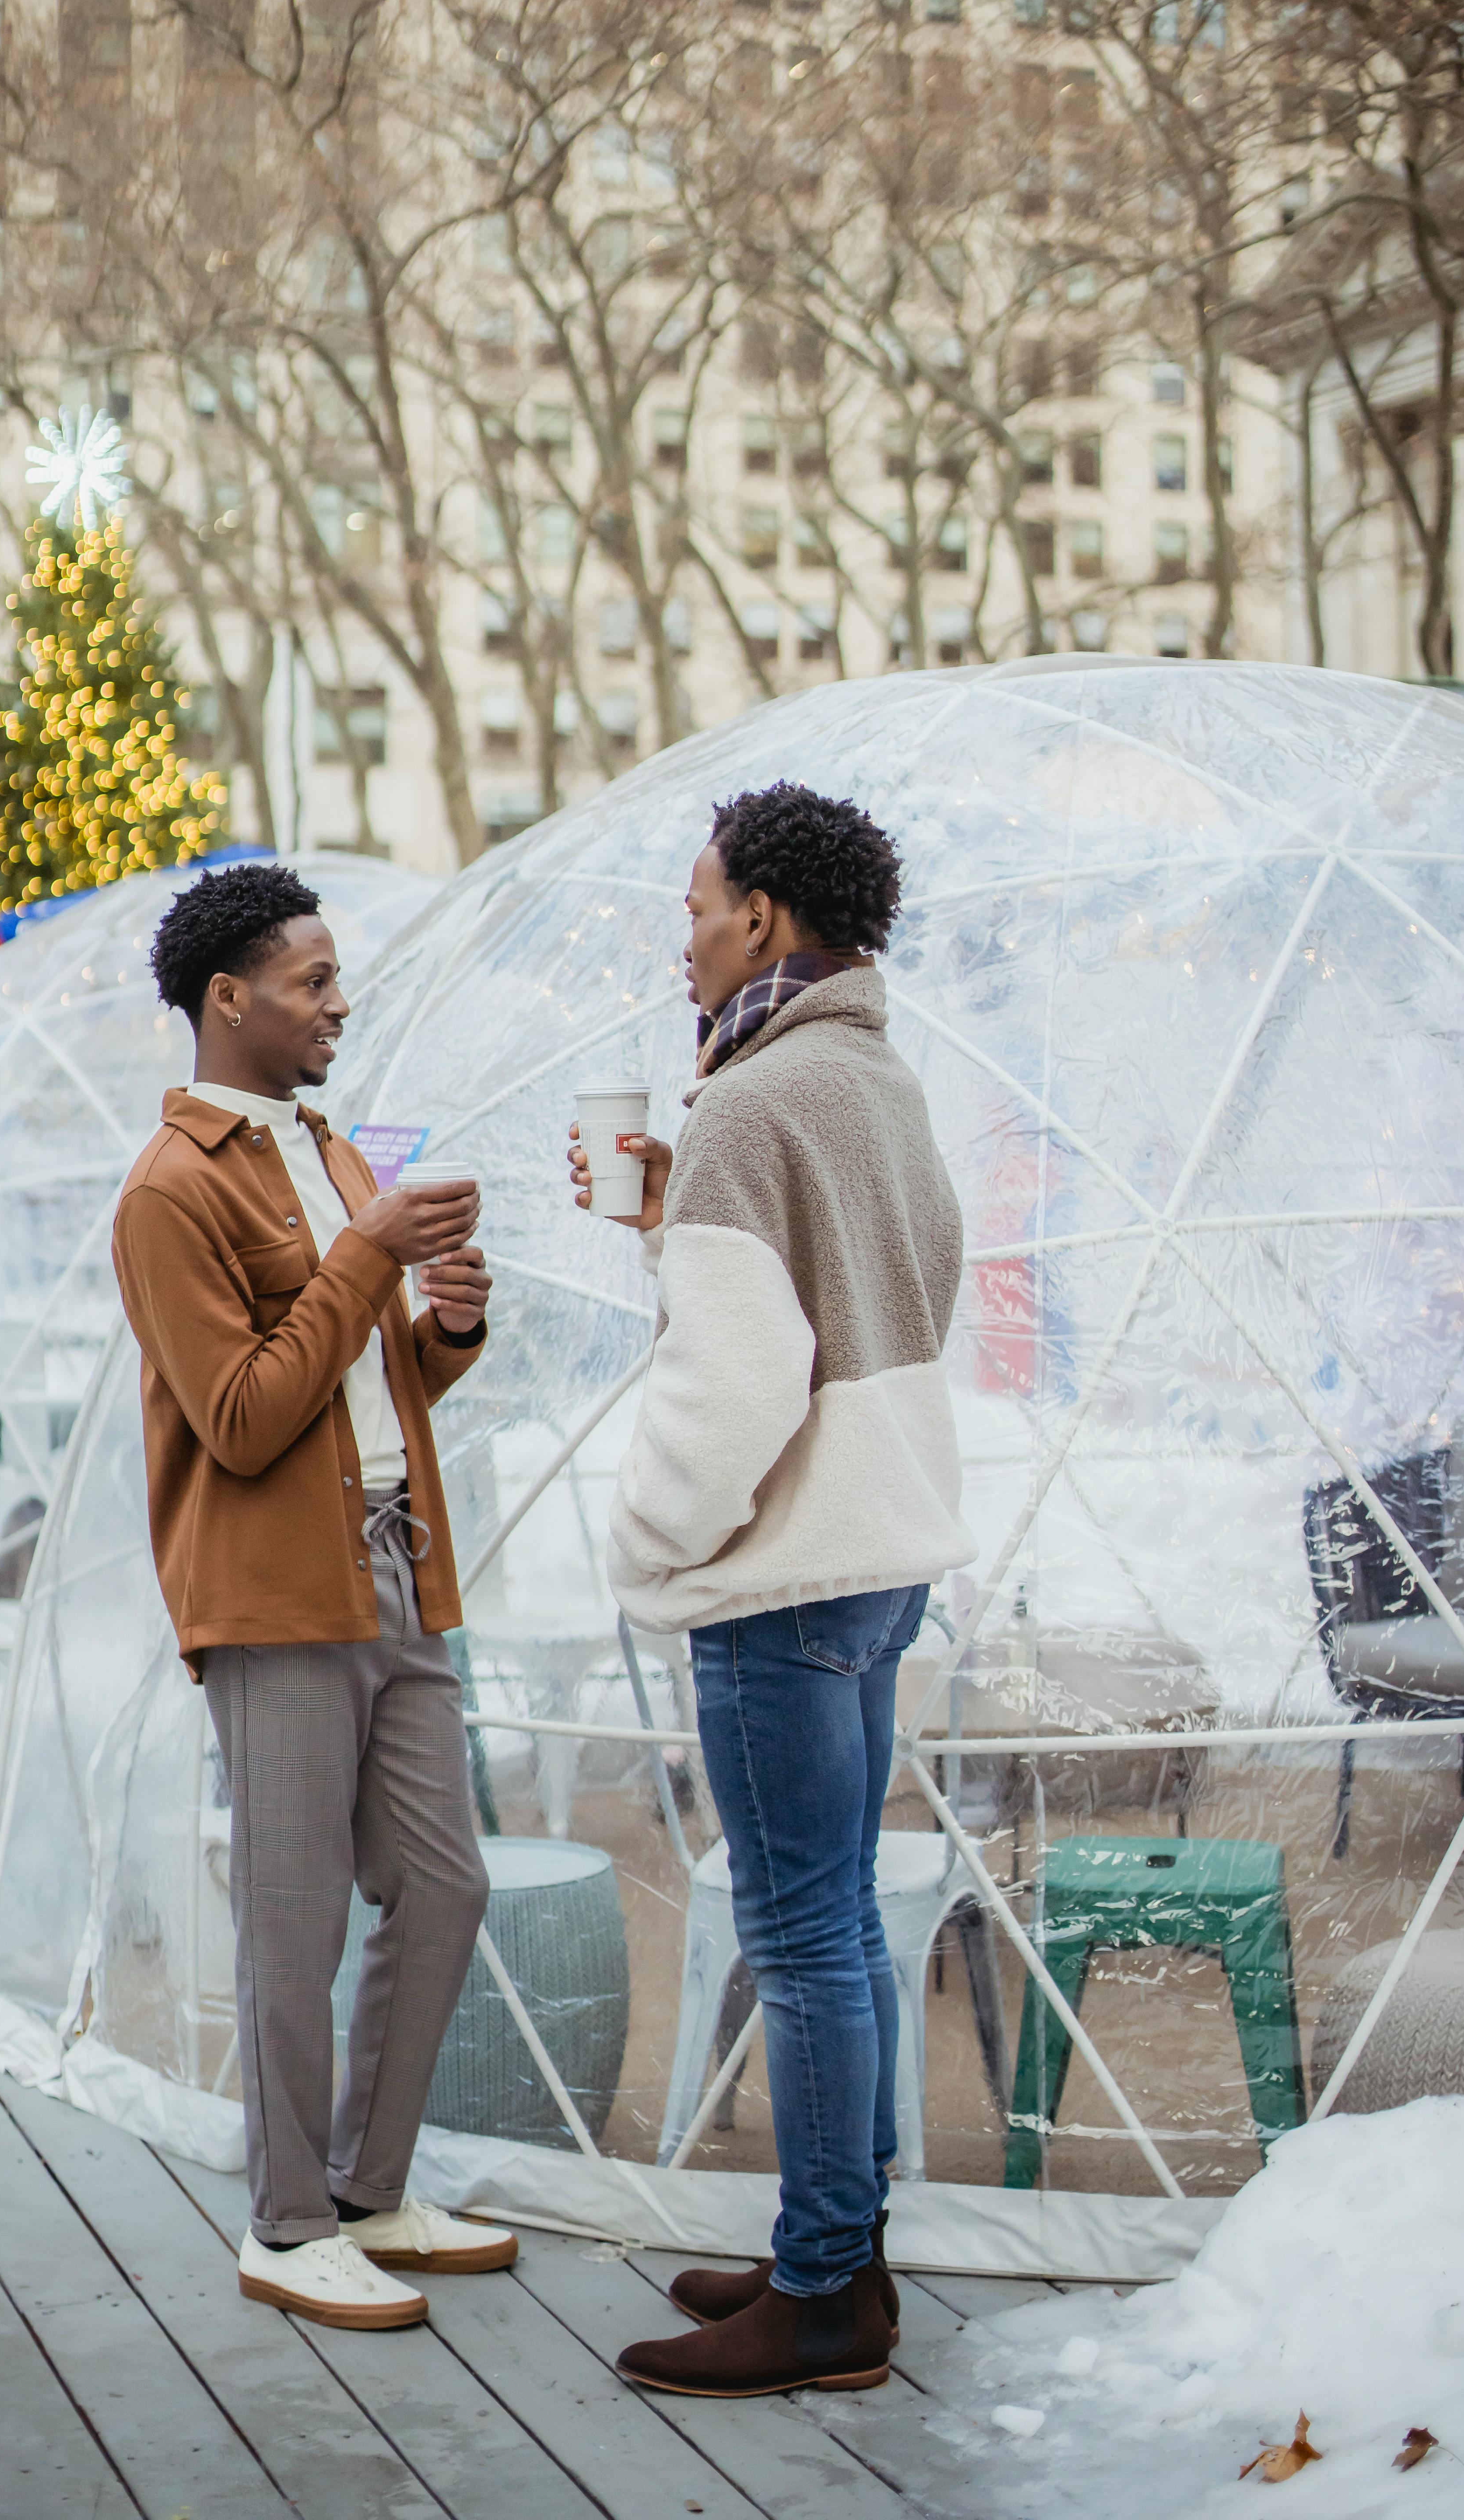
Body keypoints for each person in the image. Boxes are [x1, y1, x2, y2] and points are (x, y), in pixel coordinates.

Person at [569, 783, 970, 2399]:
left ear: (764, 921)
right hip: (883, 1553)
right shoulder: (871, 1078)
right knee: (839, 1931)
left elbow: (736, 1385)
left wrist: (654, 1541)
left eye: (695, 907)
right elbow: (894, 1280)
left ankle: (817, 2301)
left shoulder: (751, 1104)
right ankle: (842, 2250)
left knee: (799, 1936)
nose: (683, 938)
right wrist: (696, 1217)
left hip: (784, 1574)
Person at [114, 860, 514, 2335]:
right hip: (276, 1599)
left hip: (397, 1568)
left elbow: (368, 1372)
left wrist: (448, 1326)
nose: (341, 1002)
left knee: (448, 1884)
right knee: (293, 1922)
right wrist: (369, 1255)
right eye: (313, 980)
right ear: (230, 1000)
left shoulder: (335, 1151)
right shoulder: (170, 1192)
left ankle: (367, 2188)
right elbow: (239, 1416)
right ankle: (285, 2226)